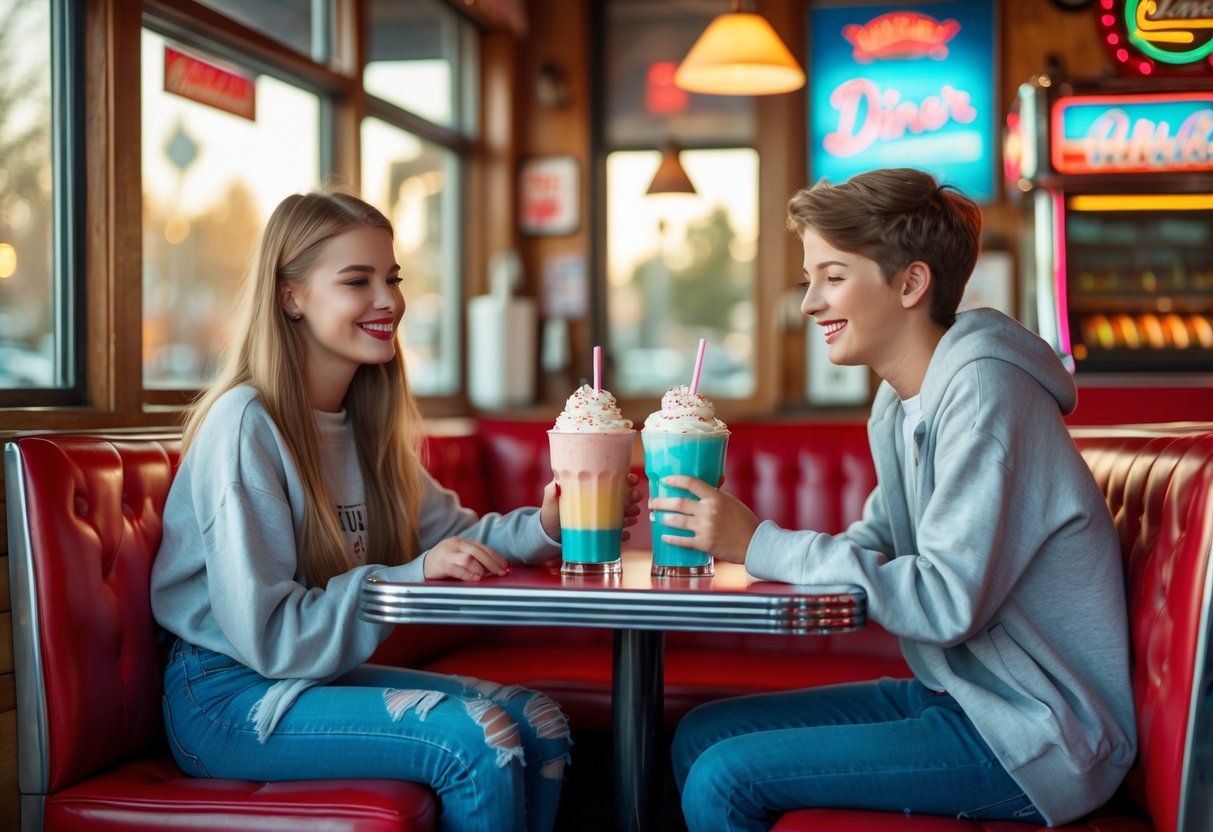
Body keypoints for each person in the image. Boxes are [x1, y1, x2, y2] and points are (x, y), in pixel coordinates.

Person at [652, 168, 1136, 830]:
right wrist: (747, 546)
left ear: (910, 283)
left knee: (724, 776)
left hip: (1034, 733)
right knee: (700, 733)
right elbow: (876, 540)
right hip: (958, 697)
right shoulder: (900, 400)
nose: (807, 304)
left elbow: (943, 601)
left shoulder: (986, 391)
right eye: (808, 278)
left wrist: (759, 543)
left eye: (831, 276)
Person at [151, 190, 639, 832]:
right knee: (482, 741)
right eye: (358, 281)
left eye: (392, 278)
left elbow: (456, 535)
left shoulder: (363, 423)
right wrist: (411, 576)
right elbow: (270, 638)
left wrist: (553, 524)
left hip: (312, 675)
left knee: (539, 721)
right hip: (226, 693)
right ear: (289, 295)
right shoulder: (245, 424)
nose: (389, 301)